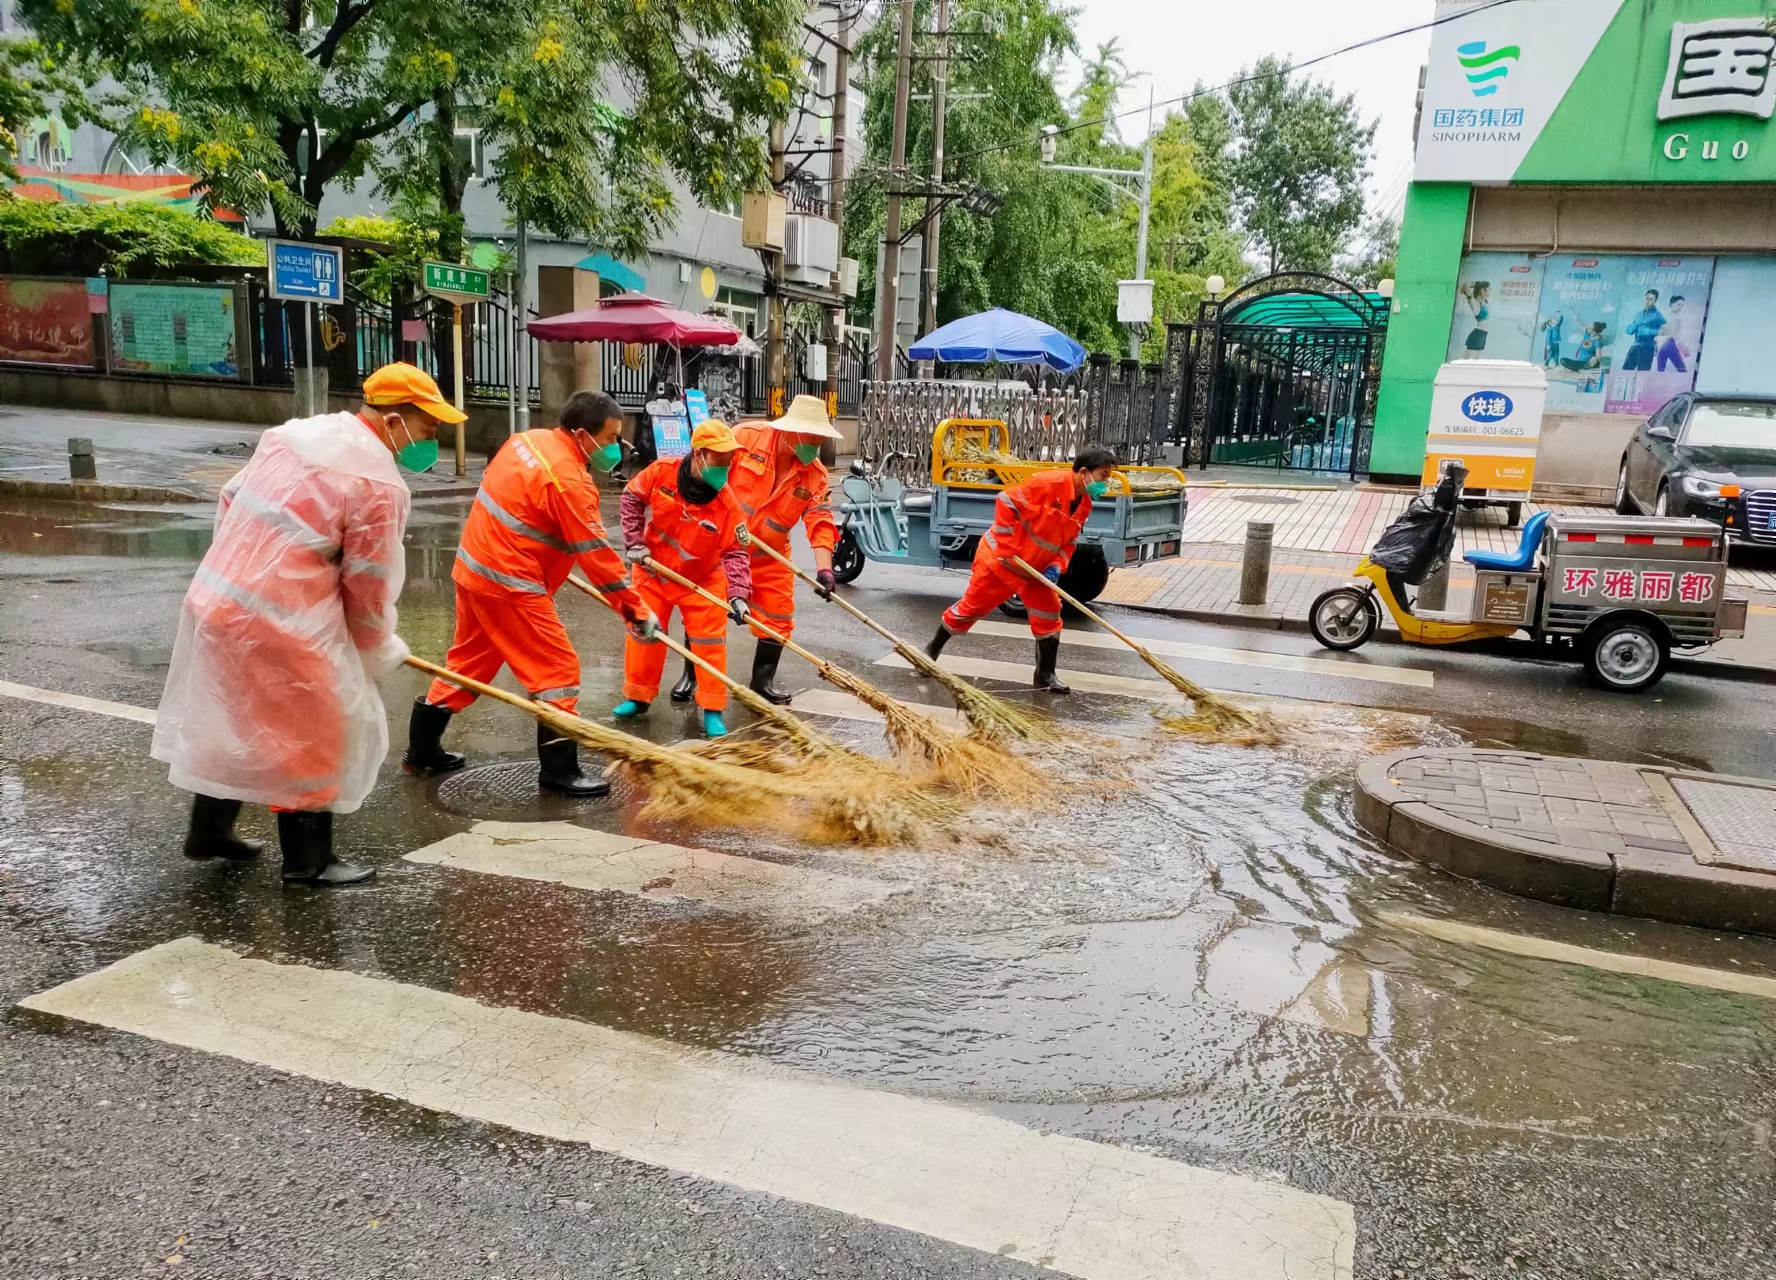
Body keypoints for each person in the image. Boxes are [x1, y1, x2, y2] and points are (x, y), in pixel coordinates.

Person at [153, 362, 459, 887]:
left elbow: (231, 498)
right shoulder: (377, 483)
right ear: (393, 421)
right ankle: (309, 859)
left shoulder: (297, 436)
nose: (431, 441)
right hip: (283, 618)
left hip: (220, 596)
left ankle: (209, 832)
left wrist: (245, 566)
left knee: (237, 720)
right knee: (317, 729)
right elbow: (369, 582)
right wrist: (376, 645)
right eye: (429, 428)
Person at [403, 389, 655, 797]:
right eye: (610, 439)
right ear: (581, 435)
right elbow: (596, 556)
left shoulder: (526, 440)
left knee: (467, 666)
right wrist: (635, 609)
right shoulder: (569, 480)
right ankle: (559, 771)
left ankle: (421, 751)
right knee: (557, 673)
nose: (615, 448)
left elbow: (521, 511)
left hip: (473, 570)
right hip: (510, 584)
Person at [662, 393, 841, 705]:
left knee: (778, 614)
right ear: (790, 430)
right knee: (706, 608)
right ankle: (693, 675)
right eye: (810, 438)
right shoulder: (747, 438)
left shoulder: (815, 474)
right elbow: (708, 468)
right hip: (723, 547)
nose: (815, 446)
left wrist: (825, 569)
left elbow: (820, 520)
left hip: (769, 555)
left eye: (819, 439)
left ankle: (762, 682)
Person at [925, 447, 1118, 694]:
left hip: (1035, 569)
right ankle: (931, 652)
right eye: (1103, 475)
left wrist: (1056, 566)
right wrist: (1007, 547)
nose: (1106, 482)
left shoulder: (1084, 504)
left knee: (1049, 613)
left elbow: (1068, 542)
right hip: (1001, 563)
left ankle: (1045, 676)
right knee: (969, 609)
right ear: (1084, 473)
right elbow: (1006, 501)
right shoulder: (1048, 484)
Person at [614, 420, 751, 737]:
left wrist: (739, 595)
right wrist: (635, 542)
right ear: (700, 455)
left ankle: (713, 708)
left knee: (709, 645)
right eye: (722, 459)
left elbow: (736, 553)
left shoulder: (727, 503)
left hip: (702, 579)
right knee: (643, 635)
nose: (727, 467)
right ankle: (637, 697)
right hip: (654, 572)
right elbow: (631, 497)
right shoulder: (662, 472)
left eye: (731, 460)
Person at [1621, 289, 1666, 372]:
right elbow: (1629, 331)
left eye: (1651, 299)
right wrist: (1633, 327)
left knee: (1642, 374)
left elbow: (1665, 332)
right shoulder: (1639, 314)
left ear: (1655, 301)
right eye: (1647, 298)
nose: (1648, 301)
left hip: (1648, 348)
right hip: (1635, 346)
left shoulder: (1657, 316)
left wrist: (1651, 332)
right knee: (1625, 371)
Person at [1656, 296, 1690, 372]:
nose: (1680, 307)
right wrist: (1683, 348)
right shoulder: (1672, 317)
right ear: (1671, 304)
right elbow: (1674, 334)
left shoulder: (1669, 315)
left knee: (1660, 370)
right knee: (1682, 369)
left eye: (1682, 305)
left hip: (1661, 344)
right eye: (1679, 304)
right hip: (1668, 343)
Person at [1460, 282, 1490, 352]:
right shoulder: (1474, 301)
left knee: (1475, 359)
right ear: (1480, 290)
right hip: (1478, 334)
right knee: (1469, 359)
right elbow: (1465, 286)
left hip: (1483, 334)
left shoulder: (1484, 301)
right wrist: (1476, 285)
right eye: (1485, 289)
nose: (1488, 291)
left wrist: (1478, 285)